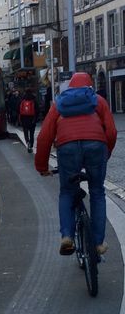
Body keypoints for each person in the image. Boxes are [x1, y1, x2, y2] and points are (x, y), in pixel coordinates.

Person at [35, 73, 117, 257]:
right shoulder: (98, 101)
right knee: (97, 192)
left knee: (67, 192)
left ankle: (67, 237)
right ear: (90, 87)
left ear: (70, 88)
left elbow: (44, 137)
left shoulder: (59, 104)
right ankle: (98, 243)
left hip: (67, 147)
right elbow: (111, 132)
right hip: (95, 145)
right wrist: (106, 153)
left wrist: (42, 166)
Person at [19, 89, 38, 153]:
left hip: (24, 119)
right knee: (32, 133)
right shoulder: (34, 100)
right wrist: (36, 119)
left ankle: (27, 142)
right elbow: (37, 110)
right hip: (32, 119)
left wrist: (20, 119)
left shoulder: (23, 100)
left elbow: (18, 109)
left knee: (26, 132)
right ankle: (31, 144)